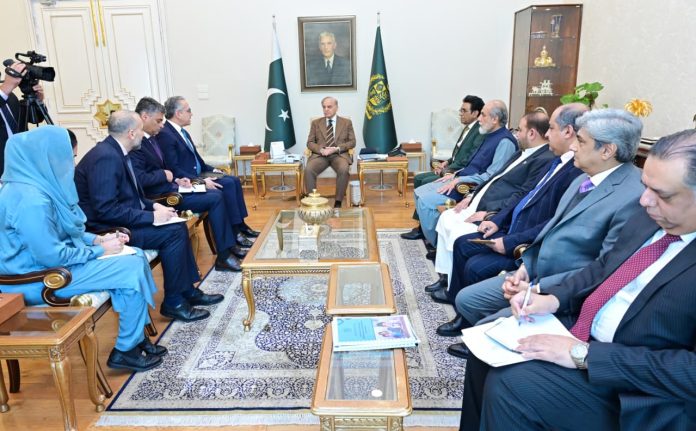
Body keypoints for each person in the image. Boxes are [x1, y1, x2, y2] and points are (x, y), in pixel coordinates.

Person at [461, 128, 696, 431]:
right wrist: (552, 299)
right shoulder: (649, 216)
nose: (644, 200)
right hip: (584, 332)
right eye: (645, 186)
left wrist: (584, 355)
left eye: (662, 194)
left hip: (637, 389)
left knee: (512, 385)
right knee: (485, 345)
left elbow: (689, 370)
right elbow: (603, 268)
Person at [447, 108, 645, 359]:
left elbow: (604, 268)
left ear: (607, 150)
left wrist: (540, 287)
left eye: (581, 141)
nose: (573, 146)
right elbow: (552, 229)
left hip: (564, 290)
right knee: (467, 300)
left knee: (486, 332)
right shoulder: (584, 178)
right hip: (535, 271)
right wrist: (526, 267)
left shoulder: (632, 196)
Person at [0, 126, 164, 372]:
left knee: (136, 256)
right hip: (37, 278)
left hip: (52, 267)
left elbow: (62, 232)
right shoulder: (30, 200)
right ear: (45, 159)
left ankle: (135, 339)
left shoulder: (35, 187)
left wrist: (97, 240)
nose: (71, 165)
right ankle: (126, 349)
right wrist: (101, 251)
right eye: (67, 158)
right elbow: (52, 256)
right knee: (129, 267)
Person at [75, 110, 222, 323]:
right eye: (141, 130)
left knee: (177, 225)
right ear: (131, 133)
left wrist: (155, 207)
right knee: (172, 232)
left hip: (121, 219)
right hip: (109, 230)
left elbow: (133, 195)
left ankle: (187, 291)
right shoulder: (106, 157)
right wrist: (151, 218)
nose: (144, 135)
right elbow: (106, 210)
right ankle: (174, 302)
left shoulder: (115, 151)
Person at [427, 110, 581, 309]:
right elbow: (523, 192)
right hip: (507, 224)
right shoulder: (553, 161)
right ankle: (452, 290)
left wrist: (507, 238)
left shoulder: (569, 169)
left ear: (568, 132)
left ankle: (462, 309)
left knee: (474, 264)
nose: (547, 134)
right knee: (462, 243)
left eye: (551, 128)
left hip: (523, 242)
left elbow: (552, 221)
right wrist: (496, 220)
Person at [130, 97, 244, 271]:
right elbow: (141, 179)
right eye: (158, 121)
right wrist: (166, 176)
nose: (162, 125)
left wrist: (176, 180)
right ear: (145, 117)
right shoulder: (137, 143)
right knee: (215, 197)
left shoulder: (151, 139)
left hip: (173, 187)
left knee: (218, 193)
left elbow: (166, 169)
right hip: (161, 197)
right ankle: (224, 254)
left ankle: (228, 247)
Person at [405, 100, 517, 245]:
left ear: (495, 119)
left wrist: (459, 180)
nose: (479, 119)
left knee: (425, 202)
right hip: (459, 178)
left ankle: (436, 244)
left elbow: (492, 177)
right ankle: (435, 237)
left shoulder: (505, 142)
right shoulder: (489, 135)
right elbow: (472, 163)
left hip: (469, 187)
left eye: (483, 115)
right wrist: (454, 174)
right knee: (418, 192)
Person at [158, 96, 259, 240]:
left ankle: (240, 225)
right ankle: (235, 231)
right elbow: (174, 169)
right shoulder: (166, 135)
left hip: (201, 173)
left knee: (234, 180)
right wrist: (200, 181)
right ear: (178, 114)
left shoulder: (182, 132)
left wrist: (213, 169)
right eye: (189, 110)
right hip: (190, 180)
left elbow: (198, 160)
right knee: (228, 184)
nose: (192, 114)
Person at [413, 96, 486, 189]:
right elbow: (459, 154)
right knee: (418, 178)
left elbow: (469, 159)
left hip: (458, 172)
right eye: (461, 110)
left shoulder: (479, 131)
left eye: (464, 111)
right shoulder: (467, 128)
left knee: (425, 181)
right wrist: (446, 162)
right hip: (451, 166)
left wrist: (447, 169)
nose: (460, 114)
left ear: (475, 113)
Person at [304, 96, 356, 207]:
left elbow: (352, 142)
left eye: (329, 107)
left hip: (339, 155)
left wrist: (336, 148)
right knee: (308, 169)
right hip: (320, 156)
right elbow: (310, 142)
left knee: (344, 168)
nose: (326, 109)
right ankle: (312, 200)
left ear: (337, 107)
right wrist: (321, 150)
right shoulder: (316, 123)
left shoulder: (346, 122)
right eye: (324, 107)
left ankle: (338, 201)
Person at [0, 61, 45, 177]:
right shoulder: (4, 93)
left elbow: (34, 118)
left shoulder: (10, 96)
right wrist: (5, 88)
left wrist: (38, 101)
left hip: (23, 161)